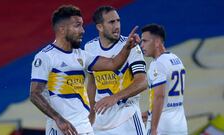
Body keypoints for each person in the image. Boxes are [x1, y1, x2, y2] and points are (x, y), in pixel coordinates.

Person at [29, 5, 139, 135]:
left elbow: (113, 64)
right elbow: (35, 94)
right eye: (77, 26)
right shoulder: (46, 57)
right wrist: (58, 119)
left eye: (82, 25)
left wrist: (127, 47)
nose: (82, 30)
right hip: (61, 129)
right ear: (62, 29)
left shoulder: (81, 55)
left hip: (85, 128)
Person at [84, 6, 147, 135]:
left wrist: (115, 98)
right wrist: (91, 110)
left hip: (127, 115)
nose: (117, 26)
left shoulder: (131, 47)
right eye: (111, 22)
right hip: (101, 119)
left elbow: (142, 82)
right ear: (99, 27)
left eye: (118, 21)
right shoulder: (90, 48)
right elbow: (91, 81)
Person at [140, 24, 188, 135]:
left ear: (157, 42)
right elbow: (170, 99)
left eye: (145, 41)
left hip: (163, 126)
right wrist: (149, 113)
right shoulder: (176, 59)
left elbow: (159, 96)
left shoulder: (157, 64)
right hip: (180, 125)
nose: (142, 45)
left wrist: (153, 128)